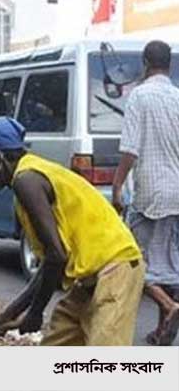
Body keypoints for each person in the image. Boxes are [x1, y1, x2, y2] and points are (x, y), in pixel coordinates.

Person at [0, 117, 144, 345]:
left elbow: (56, 256)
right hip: (89, 277)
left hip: (115, 268)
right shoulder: (30, 175)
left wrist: (35, 312)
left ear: (0, 155)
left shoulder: (26, 180)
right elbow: (48, 263)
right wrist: (9, 314)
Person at [112, 40, 179, 346]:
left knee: (134, 259)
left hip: (150, 193)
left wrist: (116, 187)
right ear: (169, 64)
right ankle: (163, 330)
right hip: (177, 193)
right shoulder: (178, 97)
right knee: (170, 260)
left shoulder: (139, 96)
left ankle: (168, 306)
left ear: (145, 63)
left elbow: (130, 150)